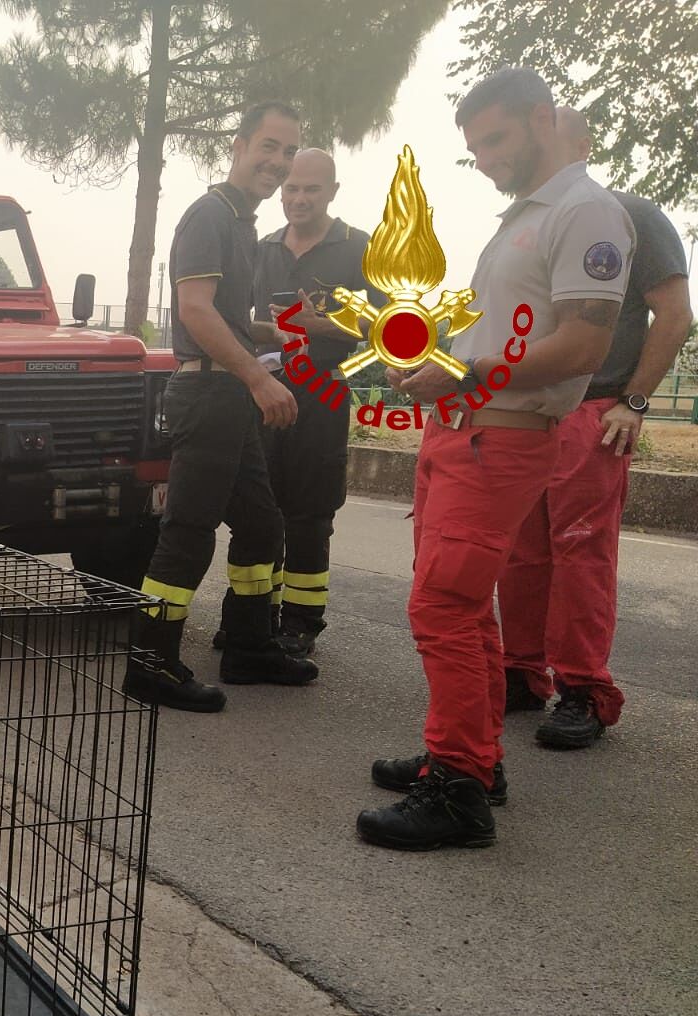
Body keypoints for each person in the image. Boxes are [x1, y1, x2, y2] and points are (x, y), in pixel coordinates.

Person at [359, 69, 634, 851]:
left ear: (543, 119)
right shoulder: (528, 217)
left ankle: (459, 788)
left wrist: (472, 374)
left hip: (501, 439)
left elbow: (584, 341)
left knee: (442, 605)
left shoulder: (587, 213)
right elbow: (508, 340)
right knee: (466, 605)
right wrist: (447, 369)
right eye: (474, 146)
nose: (484, 157)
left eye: (497, 139)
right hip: (469, 432)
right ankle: (472, 758)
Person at [497, 107, 692, 748]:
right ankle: (523, 674)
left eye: (550, 132)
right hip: (529, 409)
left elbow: (674, 314)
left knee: (580, 550)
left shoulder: (630, 216)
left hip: (593, 409)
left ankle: (583, 687)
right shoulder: (532, 222)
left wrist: (632, 403)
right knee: (520, 552)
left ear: (582, 143)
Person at [124, 101, 319, 714]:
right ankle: (149, 661)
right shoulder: (209, 215)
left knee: (263, 526)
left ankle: (247, 644)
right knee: (188, 532)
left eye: (288, 152)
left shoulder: (240, 222)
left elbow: (228, 319)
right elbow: (196, 313)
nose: (278, 162)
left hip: (227, 393)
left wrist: (273, 334)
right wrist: (259, 381)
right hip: (210, 393)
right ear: (238, 145)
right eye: (269, 146)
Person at [233, 148, 377, 654]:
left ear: (333, 191)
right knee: (256, 507)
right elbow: (239, 319)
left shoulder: (359, 247)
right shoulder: (260, 246)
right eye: (291, 188)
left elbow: (379, 326)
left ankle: (300, 622)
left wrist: (305, 324)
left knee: (310, 512)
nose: (298, 198)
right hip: (264, 387)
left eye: (311, 189)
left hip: (322, 389)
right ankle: (252, 616)